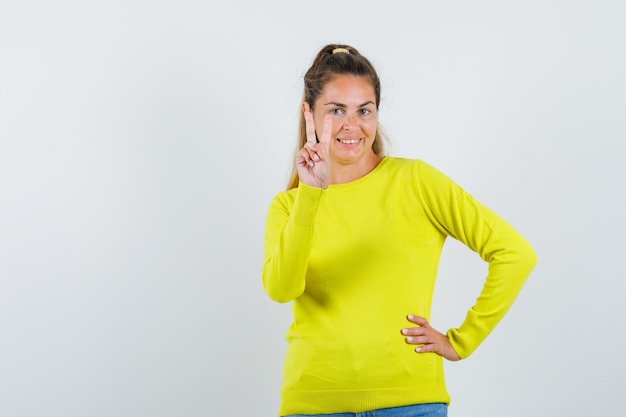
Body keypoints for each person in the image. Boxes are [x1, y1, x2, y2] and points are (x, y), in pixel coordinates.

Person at [262, 44, 537, 417]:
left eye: (364, 110)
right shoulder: (289, 206)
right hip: (314, 403)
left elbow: (514, 253)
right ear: (309, 113)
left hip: (411, 404)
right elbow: (282, 289)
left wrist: (462, 340)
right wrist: (310, 194)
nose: (351, 125)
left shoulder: (416, 182)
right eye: (336, 110)